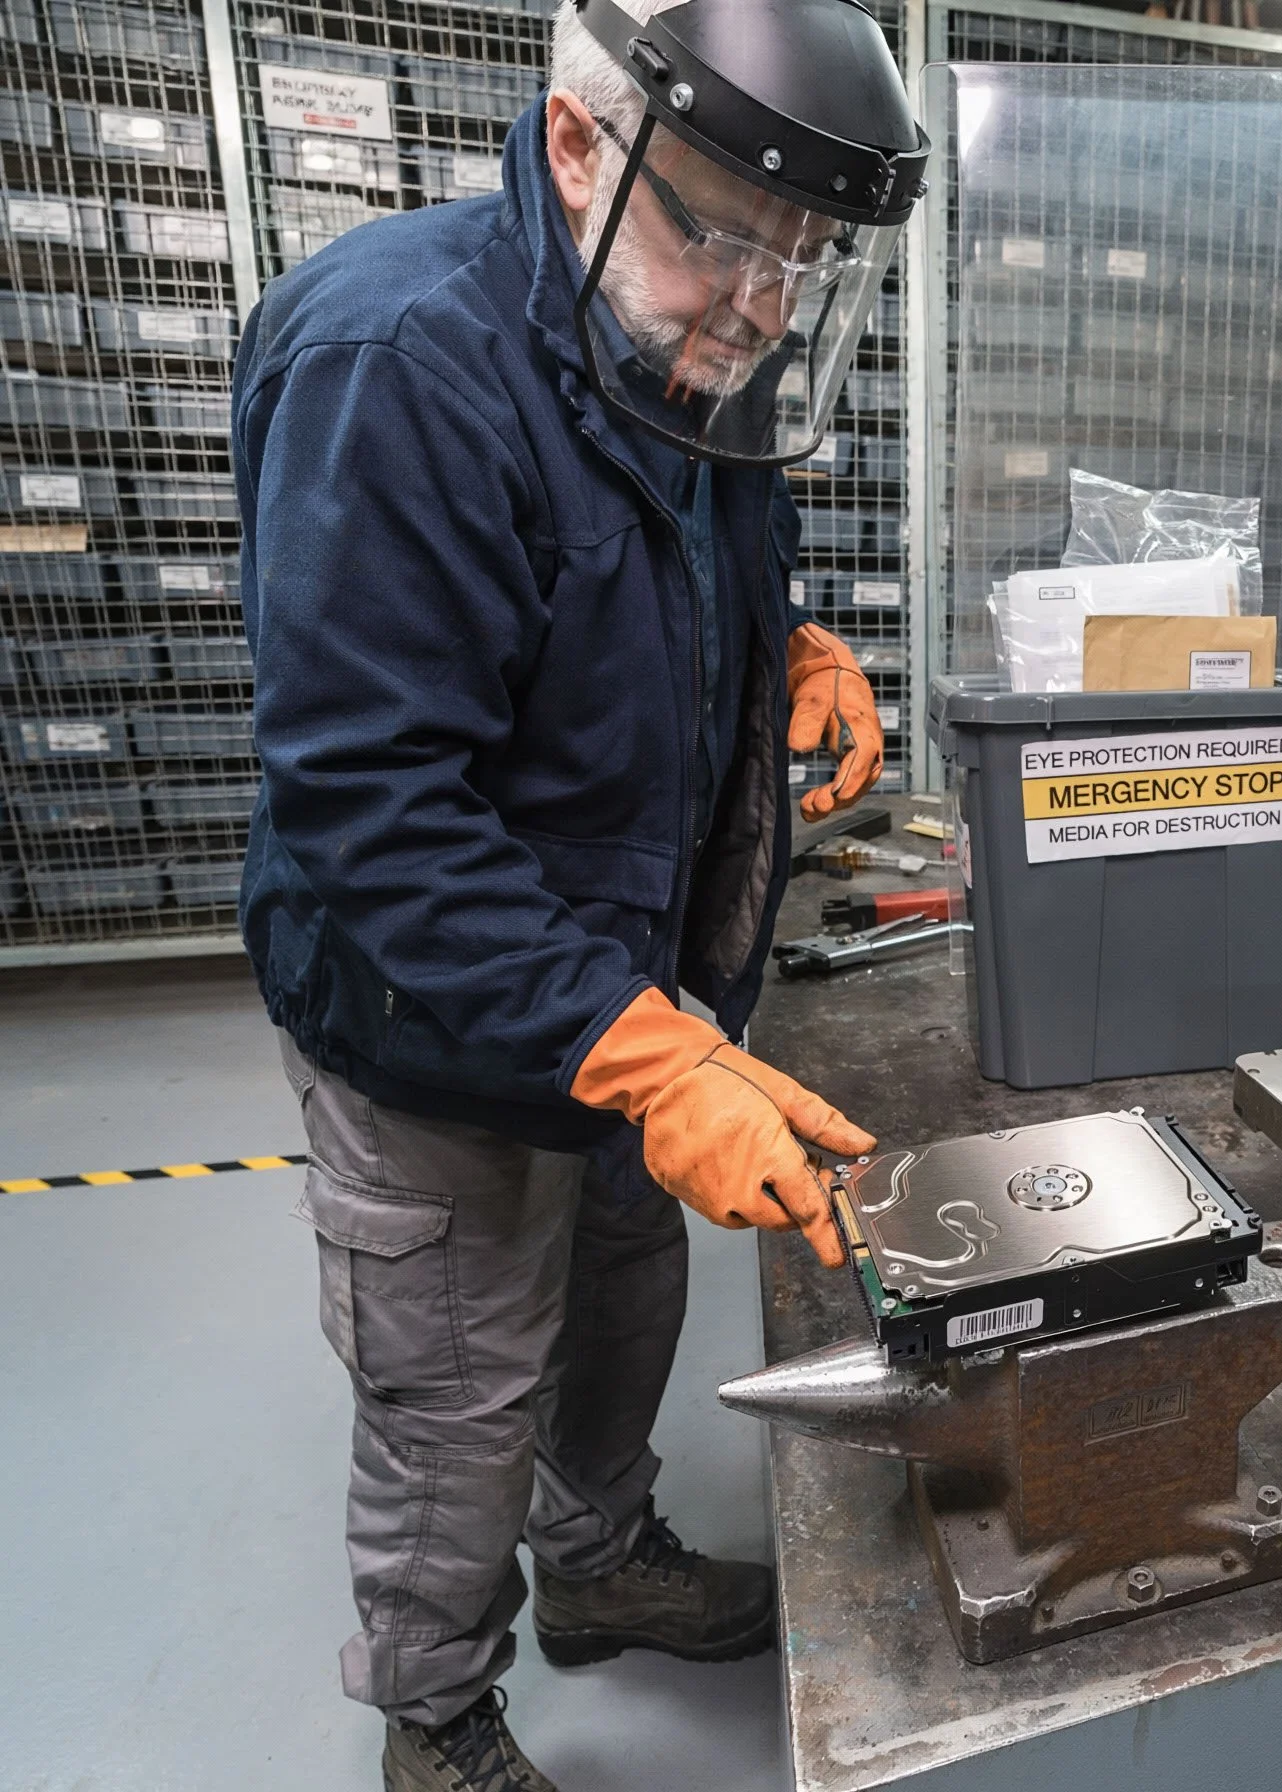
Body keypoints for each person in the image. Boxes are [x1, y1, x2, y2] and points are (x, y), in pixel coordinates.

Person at [230, 2, 929, 1786]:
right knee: (462, 1386)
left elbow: (682, 572)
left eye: (805, 258)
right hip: (438, 1018)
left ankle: (600, 1564)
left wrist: (789, 654)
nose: (765, 301)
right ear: (571, 146)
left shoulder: (689, 324)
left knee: (624, 1299)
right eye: (723, 231)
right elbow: (369, 803)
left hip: (629, 988)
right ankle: (438, 1719)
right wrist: (647, 1052)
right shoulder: (403, 359)